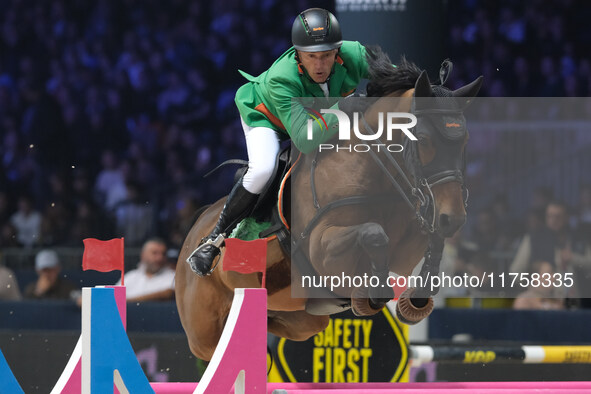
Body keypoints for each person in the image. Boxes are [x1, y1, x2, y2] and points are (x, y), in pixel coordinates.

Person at [188, 8, 372, 275]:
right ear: (298, 53)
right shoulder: (282, 77)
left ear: (338, 50)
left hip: (317, 116)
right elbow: (306, 140)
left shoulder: (354, 53)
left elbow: (394, 77)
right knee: (264, 168)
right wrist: (345, 106)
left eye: (327, 56)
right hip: (267, 118)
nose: (320, 66)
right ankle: (214, 239)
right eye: (311, 57)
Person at [116, 238, 175, 302]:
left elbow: (168, 293)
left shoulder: (173, 276)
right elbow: (112, 297)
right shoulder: (130, 276)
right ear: (143, 255)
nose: (160, 258)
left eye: (163, 254)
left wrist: (128, 302)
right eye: (155, 253)